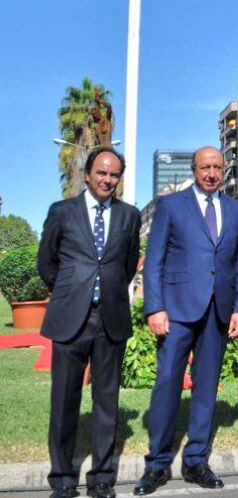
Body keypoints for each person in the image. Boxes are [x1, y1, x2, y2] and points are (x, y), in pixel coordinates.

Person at [134, 146, 238, 495]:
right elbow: (154, 261)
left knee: (205, 389)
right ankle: (156, 464)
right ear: (194, 169)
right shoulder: (171, 205)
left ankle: (196, 460)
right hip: (176, 312)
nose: (211, 173)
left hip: (218, 311)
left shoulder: (236, 209)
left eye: (217, 167)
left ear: (224, 168)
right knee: (167, 383)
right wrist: (154, 308)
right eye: (205, 167)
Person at [37, 147, 140, 498]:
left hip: (110, 318)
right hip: (70, 318)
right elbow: (46, 263)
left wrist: (105, 292)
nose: (107, 180)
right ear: (87, 174)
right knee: (64, 402)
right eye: (102, 173)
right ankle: (63, 479)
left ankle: (102, 479)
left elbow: (127, 266)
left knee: (106, 402)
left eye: (114, 175)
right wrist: (71, 291)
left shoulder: (130, 216)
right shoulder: (62, 212)